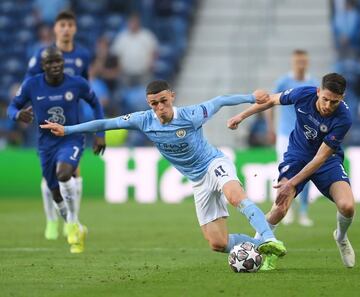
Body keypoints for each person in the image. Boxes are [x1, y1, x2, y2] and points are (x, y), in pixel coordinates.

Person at [40, 80, 286, 270]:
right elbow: (105, 124)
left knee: (234, 196)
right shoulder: (144, 120)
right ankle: (261, 247)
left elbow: (220, 100)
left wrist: (250, 97)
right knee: (218, 243)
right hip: (198, 181)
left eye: (163, 101)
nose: (159, 107)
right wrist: (68, 129)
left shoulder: (191, 114)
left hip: (214, 164)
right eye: (154, 103)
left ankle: (267, 236)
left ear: (172, 97)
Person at [228, 73, 356, 269]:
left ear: (342, 98)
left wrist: (291, 183)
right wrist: (241, 115)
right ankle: (256, 248)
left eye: (334, 102)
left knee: (347, 206)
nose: (328, 106)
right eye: (325, 99)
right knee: (280, 207)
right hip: (297, 155)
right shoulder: (303, 94)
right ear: (318, 91)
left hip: (326, 161)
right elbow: (270, 100)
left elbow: (320, 158)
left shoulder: (344, 118)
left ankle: (341, 236)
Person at [8, 47, 106, 253]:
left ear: (63, 63)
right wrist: (18, 115)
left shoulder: (77, 83)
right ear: (43, 66)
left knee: (64, 174)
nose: (55, 65)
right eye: (50, 63)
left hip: (71, 138)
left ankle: (71, 222)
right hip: (45, 145)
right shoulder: (32, 85)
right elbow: (12, 107)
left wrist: (100, 134)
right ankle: (77, 227)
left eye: (58, 61)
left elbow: (96, 104)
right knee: (55, 193)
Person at [25, 11, 94, 240]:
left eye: (70, 25)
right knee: (50, 176)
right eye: (62, 25)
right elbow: (30, 82)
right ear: (55, 28)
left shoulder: (82, 54)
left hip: (74, 117)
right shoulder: (42, 54)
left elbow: (86, 84)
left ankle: (71, 221)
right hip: (48, 117)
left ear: (75, 28)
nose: (66, 29)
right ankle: (52, 221)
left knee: (73, 169)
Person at [266, 49, 318, 227]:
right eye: (298, 61)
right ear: (293, 63)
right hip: (284, 134)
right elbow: (270, 103)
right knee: (284, 173)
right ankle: (284, 210)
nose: (301, 64)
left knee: (307, 173)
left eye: (304, 61)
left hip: (306, 137)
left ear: (307, 62)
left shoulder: (313, 83)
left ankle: (303, 211)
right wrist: (270, 128)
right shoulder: (284, 81)